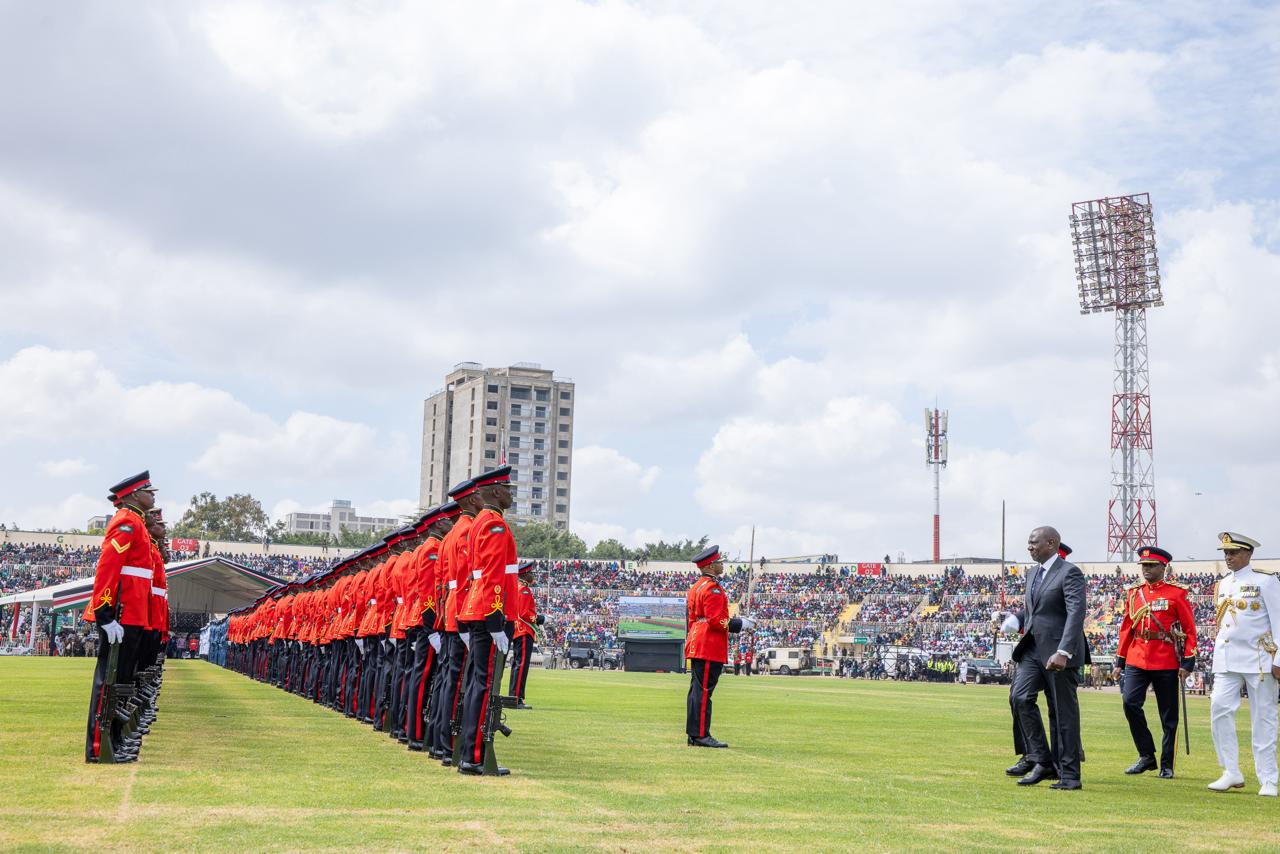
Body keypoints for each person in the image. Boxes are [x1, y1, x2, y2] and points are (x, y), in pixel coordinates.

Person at [999, 526, 1087, 790]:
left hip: (1059, 652)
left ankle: (1069, 775)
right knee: (1020, 697)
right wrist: (1018, 618)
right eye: (1028, 542)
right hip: (1033, 649)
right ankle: (1041, 759)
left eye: (1033, 542)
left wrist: (1064, 651)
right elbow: (1036, 611)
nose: (1029, 547)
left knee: (1062, 714)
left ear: (1051, 543)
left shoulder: (1069, 572)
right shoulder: (1033, 573)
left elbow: (1075, 613)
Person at [83, 471, 158, 763]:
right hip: (122, 613)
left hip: (134, 613)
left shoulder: (136, 522)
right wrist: (105, 613)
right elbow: (108, 568)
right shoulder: (127, 521)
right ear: (131, 495)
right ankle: (99, 748)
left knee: (121, 680)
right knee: (108, 682)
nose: (152, 496)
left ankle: (114, 740)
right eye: (147, 491)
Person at [1207, 532, 1280, 796]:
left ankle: (1269, 778)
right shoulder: (1224, 583)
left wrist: (1279, 659)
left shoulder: (1266, 581)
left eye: (1234, 552)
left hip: (1259, 660)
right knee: (1219, 709)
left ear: (1248, 554)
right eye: (1225, 553)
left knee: (1264, 718)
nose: (1228, 557)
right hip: (1227, 659)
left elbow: (1279, 620)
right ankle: (1230, 770)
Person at [456, 465, 518, 775]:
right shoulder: (494, 525)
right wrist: (496, 620)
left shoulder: (479, 523)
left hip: (476, 608)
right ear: (494, 492)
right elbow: (493, 574)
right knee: (483, 684)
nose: (511, 493)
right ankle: (475, 755)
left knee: (476, 683)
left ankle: (469, 752)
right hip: (489, 611)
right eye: (507, 489)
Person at [1114, 546, 1196, 778]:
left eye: (1151, 565)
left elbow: (1190, 630)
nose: (1146, 569)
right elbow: (1126, 628)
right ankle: (1146, 755)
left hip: (1166, 659)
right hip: (1137, 656)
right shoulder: (1134, 593)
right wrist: (1120, 660)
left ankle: (1167, 763)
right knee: (1130, 703)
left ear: (1163, 567)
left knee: (1168, 716)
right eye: (1144, 566)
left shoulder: (1177, 593)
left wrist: (1188, 662)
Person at [685, 545, 755, 748]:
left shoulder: (696, 587)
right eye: (718, 562)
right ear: (710, 565)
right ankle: (700, 735)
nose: (721, 564)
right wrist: (741, 624)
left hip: (698, 641)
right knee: (704, 691)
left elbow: (694, 620)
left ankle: (694, 734)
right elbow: (717, 621)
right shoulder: (712, 589)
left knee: (697, 691)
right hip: (709, 645)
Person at [508, 560, 545, 709]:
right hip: (523, 630)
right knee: (521, 665)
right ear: (525, 574)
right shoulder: (524, 590)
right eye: (531, 573)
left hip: (518, 630)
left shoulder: (518, 587)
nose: (533, 575)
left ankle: (514, 696)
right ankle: (515, 698)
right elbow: (524, 613)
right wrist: (539, 619)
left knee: (518, 664)